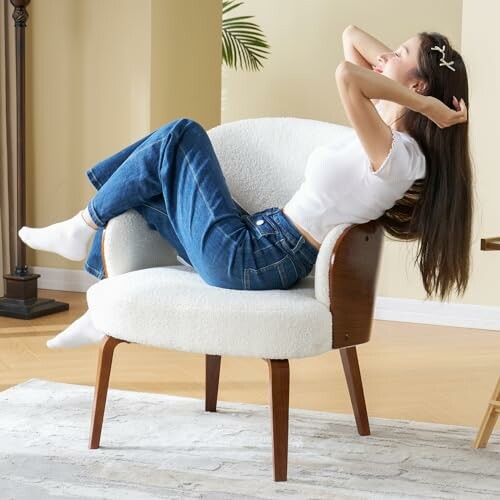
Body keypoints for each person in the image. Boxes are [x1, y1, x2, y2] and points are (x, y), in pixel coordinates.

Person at [18, 26, 470, 349]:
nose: (384, 55)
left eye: (399, 53)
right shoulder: (381, 131)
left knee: (182, 134)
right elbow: (351, 36)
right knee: (145, 189)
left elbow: (346, 74)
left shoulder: (399, 155)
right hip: (259, 239)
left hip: (260, 256)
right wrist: (413, 90)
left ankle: (82, 225)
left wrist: (422, 103)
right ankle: (100, 306)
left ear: (419, 84)